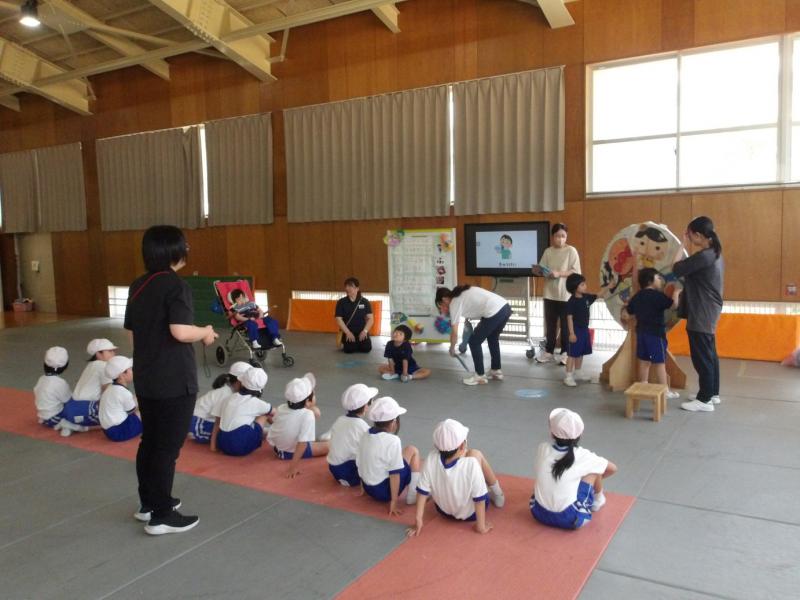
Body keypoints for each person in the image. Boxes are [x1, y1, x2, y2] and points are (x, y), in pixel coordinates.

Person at [125, 225, 218, 536]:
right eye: (184, 245)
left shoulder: (138, 285)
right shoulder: (176, 286)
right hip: (174, 380)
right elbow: (179, 330)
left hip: (146, 376)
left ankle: (148, 503)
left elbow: (132, 334)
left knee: (150, 442)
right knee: (166, 448)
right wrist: (205, 332)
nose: (187, 249)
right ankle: (162, 515)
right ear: (172, 250)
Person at [408, 419, 504, 537]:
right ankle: (498, 494)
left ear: (436, 446)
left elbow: (422, 492)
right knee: (476, 453)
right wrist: (481, 527)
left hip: (443, 511)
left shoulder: (431, 458)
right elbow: (479, 499)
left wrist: (418, 519)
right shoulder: (471, 464)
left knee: (468, 459)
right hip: (471, 515)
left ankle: (496, 494)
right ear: (463, 445)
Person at [530, 408, 617, 530]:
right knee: (595, 469)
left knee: (586, 468)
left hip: (537, 512)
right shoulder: (584, 456)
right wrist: (589, 482)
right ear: (580, 435)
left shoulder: (542, 448)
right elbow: (612, 469)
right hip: (571, 519)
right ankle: (598, 500)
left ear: (552, 434)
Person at [672, 216, 724, 412]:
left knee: (702, 356)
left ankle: (704, 399)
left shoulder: (704, 256)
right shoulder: (715, 253)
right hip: (709, 310)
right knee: (709, 354)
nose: (690, 238)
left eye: (690, 234)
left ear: (698, 235)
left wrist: (682, 244)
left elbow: (676, 268)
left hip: (702, 311)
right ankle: (712, 393)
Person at [622, 268, 681, 399]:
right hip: (655, 334)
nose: (660, 280)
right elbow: (673, 305)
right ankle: (665, 391)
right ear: (650, 281)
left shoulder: (637, 296)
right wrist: (676, 292)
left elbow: (629, 311)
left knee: (644, 361)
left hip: (641, 333)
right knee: (659, 362)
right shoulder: (657, 296)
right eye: (658, 278)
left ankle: (643, 385)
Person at [435, 285, 512, 386]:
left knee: (474, 342)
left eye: (441, 305)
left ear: (444, 299)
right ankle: (496, 371)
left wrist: (452, 348)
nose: (442, 309)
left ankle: (480, 376)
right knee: (492, 338)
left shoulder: (454, 302)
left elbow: (454, 333)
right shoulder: (460, 293)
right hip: (505, 308)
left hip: (494, 311)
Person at [356, 397, 421, 516]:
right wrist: (393, 502)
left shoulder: (365, 434)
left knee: (404, 452)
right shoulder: (393, 440)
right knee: (413, 450)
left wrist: (363, 487)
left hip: (369, 489)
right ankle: (413, 495)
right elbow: (394, 474)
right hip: (384, 493)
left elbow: (360, 461)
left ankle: (411, 493)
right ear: (394, 422)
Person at [535, 223, 582, 365]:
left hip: (566, 295)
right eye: (557, 236)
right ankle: (549, 352)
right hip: (550, 293)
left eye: (563, 236)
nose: (560, 239)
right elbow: (541, 268)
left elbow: (576, 271)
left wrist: (559, 273)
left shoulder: (571, 251)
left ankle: (565, 352)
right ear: (552, 237)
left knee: (566, 325)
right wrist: (541, 271)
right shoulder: (548, 251)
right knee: (550, 325)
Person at [267, 373, 330, 478]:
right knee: (328, 447)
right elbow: (302, 443)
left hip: (278, 448)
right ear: (307, 401)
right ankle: (328, 437)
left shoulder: (282, 407)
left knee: (312, 415)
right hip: (289, 453)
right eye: (313, 394)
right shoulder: (307, 415)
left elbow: (276, 422)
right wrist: (292, 467)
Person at [212, 367, 272, 457]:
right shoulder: (257, 403)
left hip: (222, 444)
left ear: (241, 382)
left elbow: (217, 422)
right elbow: (274, 413)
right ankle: (281, 436)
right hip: (240, 447)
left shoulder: (228, 398)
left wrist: (213, 447)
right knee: (266, 414)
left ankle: (269, 433)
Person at [326, 383, 377, 487]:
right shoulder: (362, 426)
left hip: (334, 469)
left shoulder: (340, 419)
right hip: (349, 472)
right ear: (366, 406)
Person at [34, 346, 90, 437]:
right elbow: (69, 401)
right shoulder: (60, 383)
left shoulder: (42, 379)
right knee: (79, 408)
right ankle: (67, 425)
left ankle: (56, 423)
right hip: (56, 418)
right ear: (65, 366)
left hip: (43, 417)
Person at [189, 361, 250, 444]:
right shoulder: (226, 394)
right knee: (230, 434)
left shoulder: (231, 391)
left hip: (204, 420)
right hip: (198, 424)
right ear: (239, 381)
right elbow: (222, 419)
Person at [563, 274, 606, 387]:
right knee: (572, 354)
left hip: (584, 329)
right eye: (582, 285)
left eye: (584, 284)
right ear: (575, 287)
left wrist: (609, 286)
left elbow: (598, 295)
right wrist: (572, 333)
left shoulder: (586, 297)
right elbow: (569, 318)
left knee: (580, 352)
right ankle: (568, 376)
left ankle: (578, 372)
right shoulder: (571, 302)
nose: (585, 286)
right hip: (575, 330)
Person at [99, 356, 142, 442]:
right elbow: (132, 411)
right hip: (120, 431)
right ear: (122, 375)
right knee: (150, 411)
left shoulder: (112, 387)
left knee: (137, 399)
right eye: (131, 369)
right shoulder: (123, 392)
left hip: (109, 431)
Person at [72, 338, 116, 409]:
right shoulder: (103, 366)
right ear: (98, 354)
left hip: (75, 404)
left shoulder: (92, 364)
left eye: (113, 351)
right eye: (110, 351)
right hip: (86, 406)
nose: (113, 354)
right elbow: (107, 389)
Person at [335, 277, 374, 354]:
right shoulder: (341, 302)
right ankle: (348, 342)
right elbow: (338, 319)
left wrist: (365, 331)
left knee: (366, 348)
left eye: (350, 286)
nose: (347, 288)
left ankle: (357, 343)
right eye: (346, 286)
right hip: (348, 331)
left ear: (357, 288)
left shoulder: (365, 302)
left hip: (361, 331)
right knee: (349, 350)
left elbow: (371, 319)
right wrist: (347, 332)